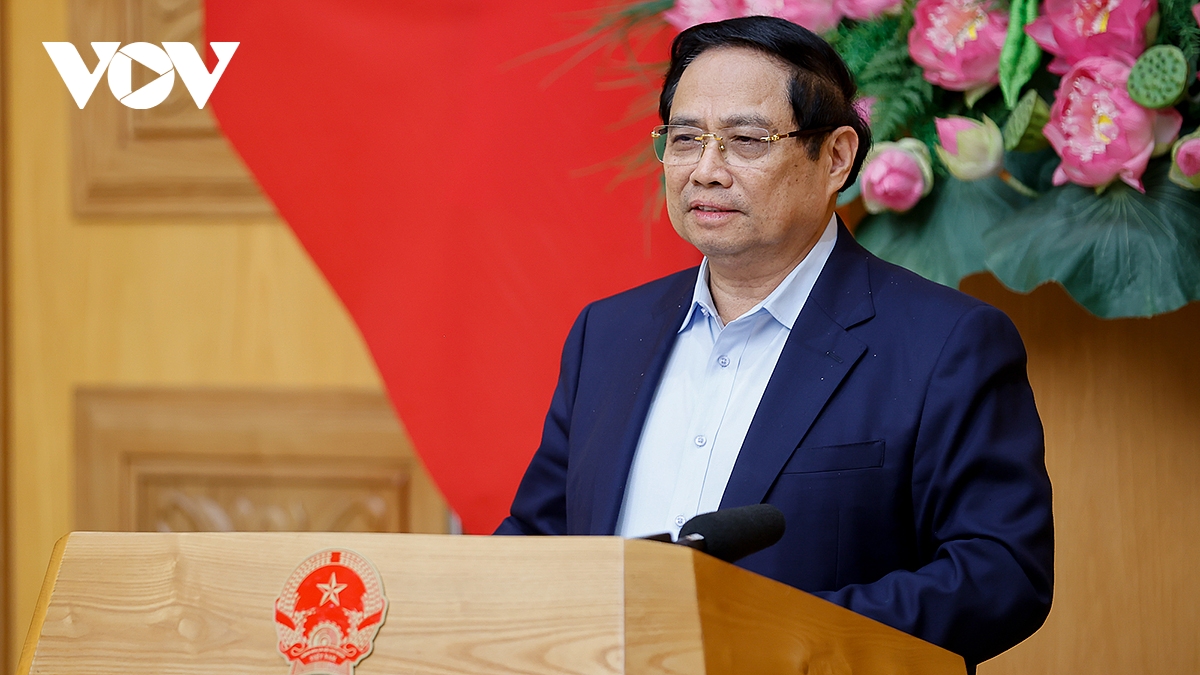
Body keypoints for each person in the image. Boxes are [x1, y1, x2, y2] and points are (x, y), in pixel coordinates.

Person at [495, 15, 1053, 668]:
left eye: (745, 140)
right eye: (685, 139)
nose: (706, 170)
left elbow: (999, 573)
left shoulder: (945, 343)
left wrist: (776, 639)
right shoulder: (607, 332)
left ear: (836, 157)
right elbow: (536, 539)